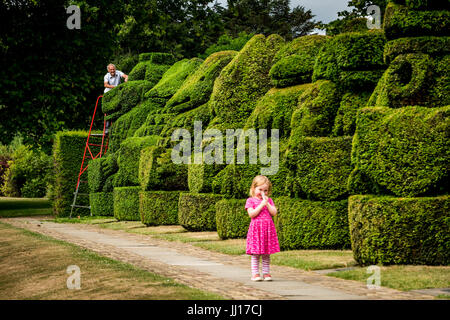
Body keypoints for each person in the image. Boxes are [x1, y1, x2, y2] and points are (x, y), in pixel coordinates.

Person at [245, 175, 280, 281]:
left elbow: (274, 213)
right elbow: (252, 214)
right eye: (260, 190)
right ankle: (255, 273)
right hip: (256, 230)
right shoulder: (250, 201)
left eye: (265, 190)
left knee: (266, 253)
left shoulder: (269, 201)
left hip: (267, 231)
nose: (262, 193)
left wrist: (267, 204)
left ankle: (266, 273)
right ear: (253, 188)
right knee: (256, 253)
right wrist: (261, 205)